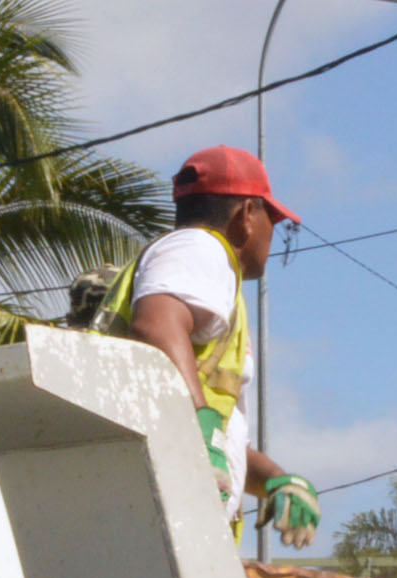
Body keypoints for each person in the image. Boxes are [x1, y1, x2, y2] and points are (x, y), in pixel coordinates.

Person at [101, 146, 323, 553]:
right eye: (274, 219)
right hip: (164, 522)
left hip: (159, 513)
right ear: (247, 215)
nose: (274, 234)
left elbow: (216, 432)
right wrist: (199, 433)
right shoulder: (200, 249)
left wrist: (273, 478)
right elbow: (155, 325)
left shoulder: (194, 262)